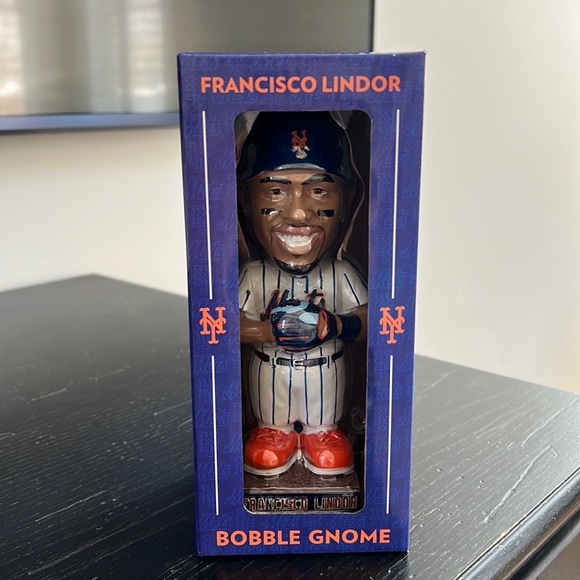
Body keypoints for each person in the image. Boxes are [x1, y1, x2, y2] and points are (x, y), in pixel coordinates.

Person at [237, 111, 368, 477]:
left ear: (345, 200)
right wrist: (266, 331)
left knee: (328, 442)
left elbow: (375, 320)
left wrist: (335, 326)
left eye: (319, 190)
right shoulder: (254, 275)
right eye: (275, 190)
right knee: (268, 440)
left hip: (324, 375)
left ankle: (322, 433)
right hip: (271, 374)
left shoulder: (341, 274)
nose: (297, 212)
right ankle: (273, 432)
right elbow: (223, 326)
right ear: (246, 200)